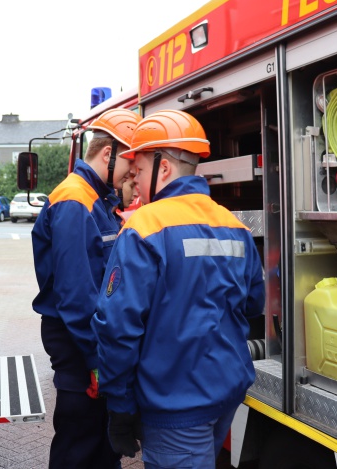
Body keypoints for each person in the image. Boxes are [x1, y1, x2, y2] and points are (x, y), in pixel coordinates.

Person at [92, 109, 265, 467]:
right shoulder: (233, 225)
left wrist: (120, 407)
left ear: (164, 168)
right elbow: (253, 303)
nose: (133, 182)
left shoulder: (144, 226)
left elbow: (117, 328)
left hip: (175, 405)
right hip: (225, 395)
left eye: (138, 172)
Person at [31, 108, 141, 468]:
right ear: (108, 154)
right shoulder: (75, 202)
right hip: (81, 353)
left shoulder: (97, 200)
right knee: (79, 449)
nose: (133, 175)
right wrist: (96, 362)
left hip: (90, 349)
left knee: (100, 449)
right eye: (130, 164)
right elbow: (77, 297)